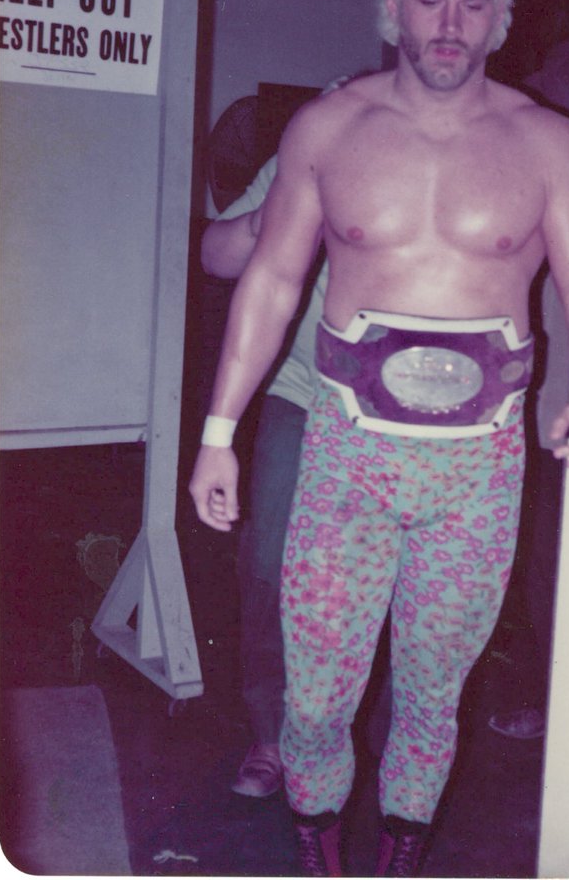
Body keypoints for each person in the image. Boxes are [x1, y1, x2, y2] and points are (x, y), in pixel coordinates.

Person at [189, 0, 569, 878]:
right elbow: (269, 279)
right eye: (431, 0)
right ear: (394, 3)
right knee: (316, 702)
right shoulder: (329, 128)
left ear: (502, 16)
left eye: (473, 6)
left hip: (477, 470)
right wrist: (219, 433)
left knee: (433, 700)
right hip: (346, 455)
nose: (450, 27)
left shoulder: (548, 143)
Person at [201, 153, 327, 798]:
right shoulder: (309, 143)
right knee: (269, 566)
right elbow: (216, 256)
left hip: (406, 419)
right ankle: (272, 738)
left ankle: (376, 751)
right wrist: (266, 216)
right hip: (301, 394)